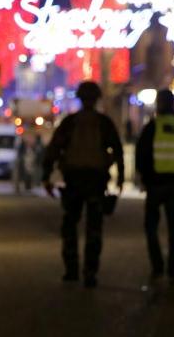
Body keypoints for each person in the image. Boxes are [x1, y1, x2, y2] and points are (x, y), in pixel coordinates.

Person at [41, 81, 124, 288]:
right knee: (94, 229)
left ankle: (71, 270)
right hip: (96, 181)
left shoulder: (70, 123)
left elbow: (53, 150)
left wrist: (47, 176)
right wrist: (120, 178)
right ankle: (90, 272)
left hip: (74, 181)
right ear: (97, 99)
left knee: (70, 225)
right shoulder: (104, 123)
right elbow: (118, 150)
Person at [135, 88, 174, 283]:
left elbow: (141, 156)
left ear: (159, 105)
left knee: (151, 227)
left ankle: (157, 266)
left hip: (155, 186)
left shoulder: (152, 127)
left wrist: (145, 178)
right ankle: (173, 270)